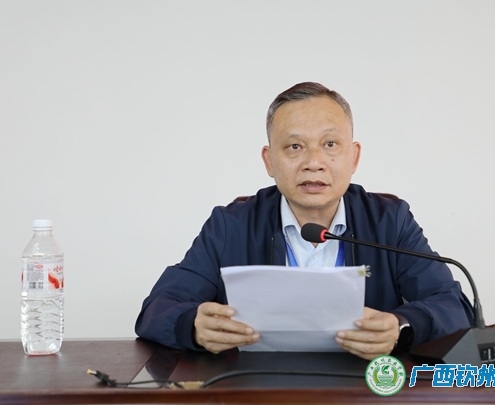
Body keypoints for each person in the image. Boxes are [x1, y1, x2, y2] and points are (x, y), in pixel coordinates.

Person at [135, 82, 474, 360]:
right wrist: (193, 326)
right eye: (295, 147)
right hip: (257, 389)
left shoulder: (389, 220)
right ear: (269, 160)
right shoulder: (231, 225)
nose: (314, 162)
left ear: (354, 156)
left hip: (366, 388)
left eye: (330, 144)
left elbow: (453, 306)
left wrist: (401, 327)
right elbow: (157, 308)